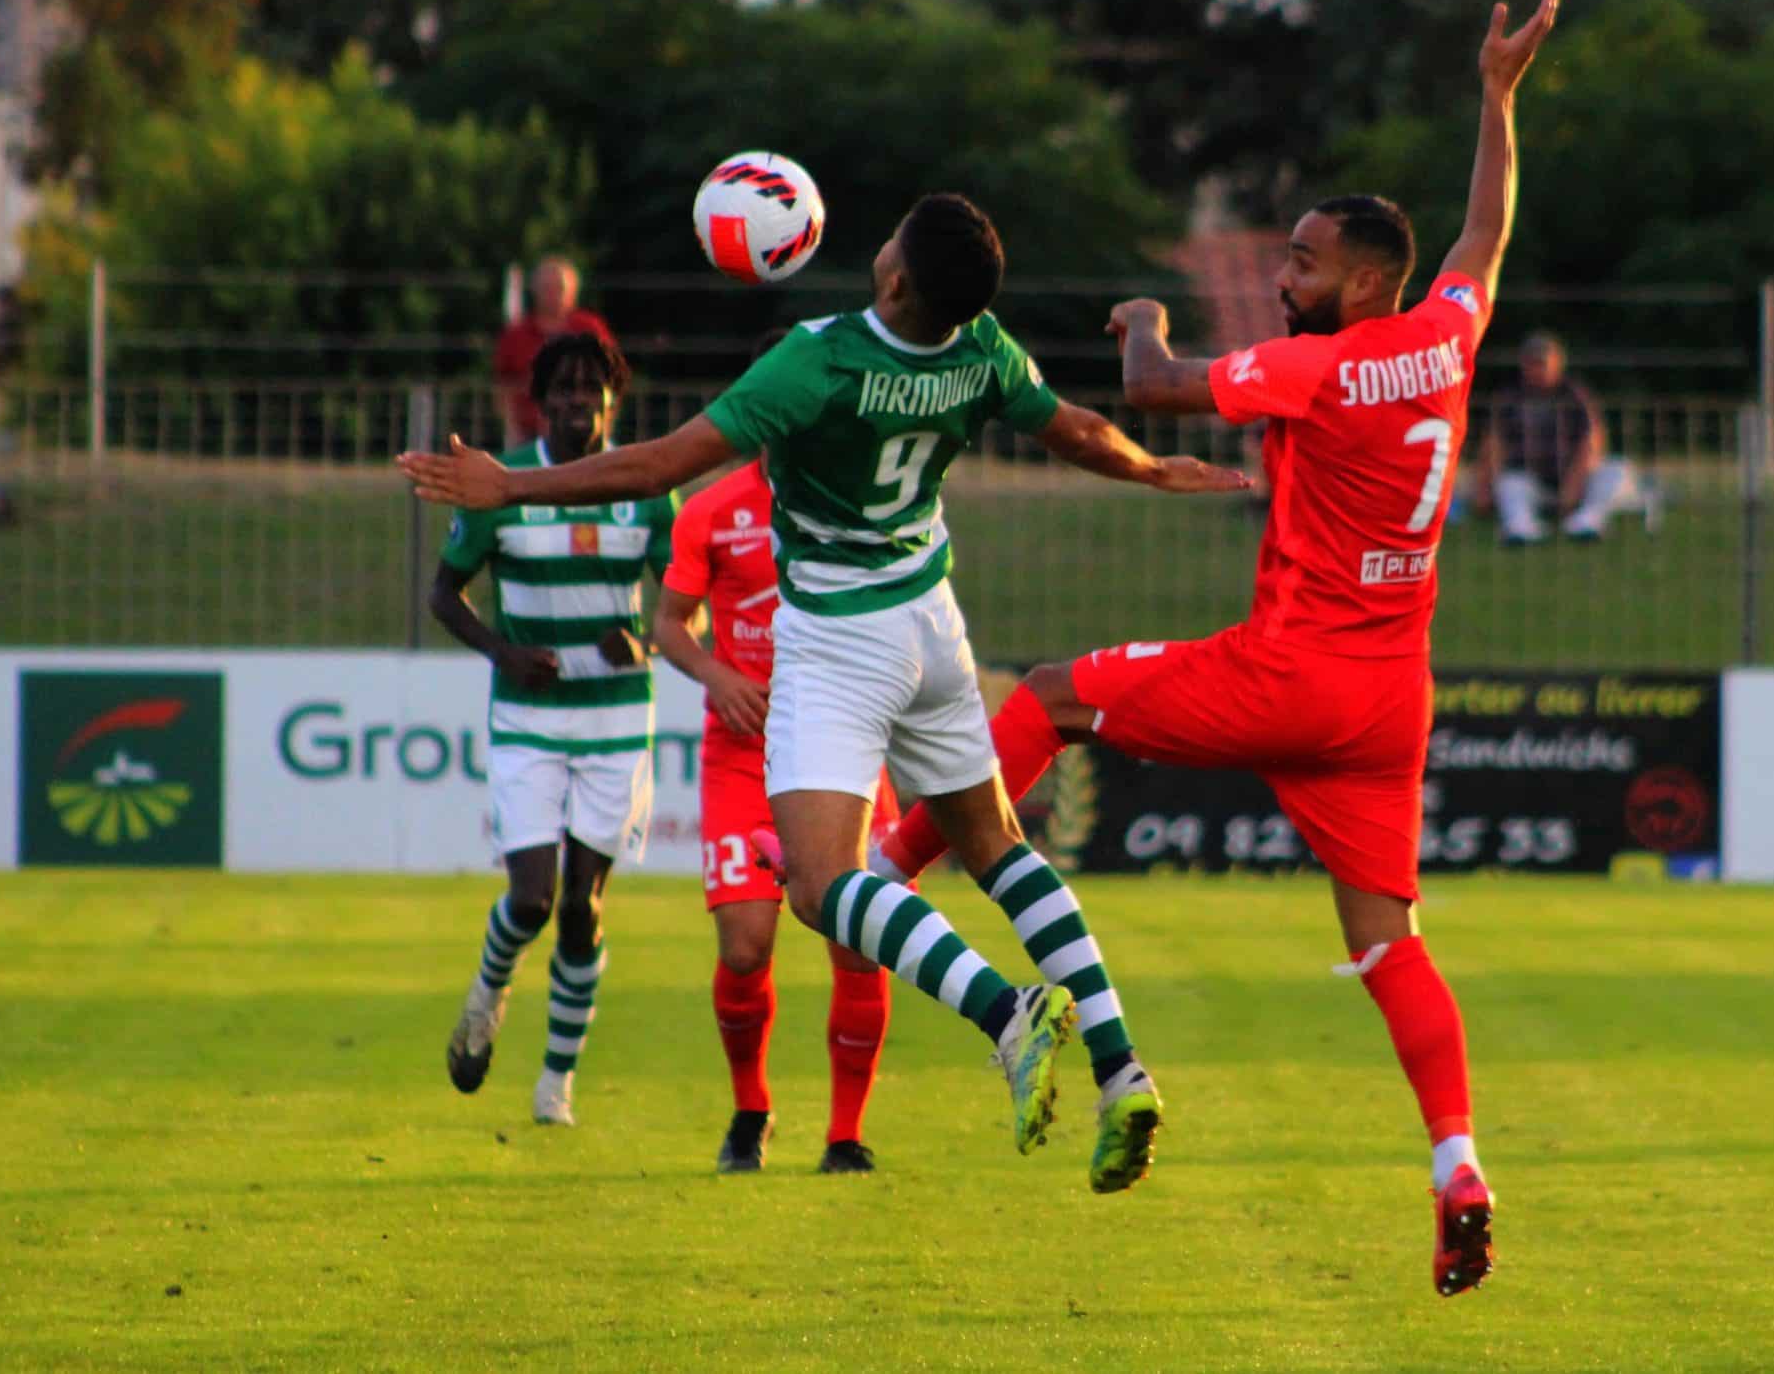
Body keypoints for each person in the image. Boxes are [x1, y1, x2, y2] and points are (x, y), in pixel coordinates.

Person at [865, 0, 1560, 1296]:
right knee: (1389, 942)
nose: (1283, 280)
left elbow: (1148, 390)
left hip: (1288, 672)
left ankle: (886, 878)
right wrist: (1495, 99)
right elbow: (1487, 230)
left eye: (1301, 263)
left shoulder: (1322, 368)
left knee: (1052, 695)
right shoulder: (1445, 334)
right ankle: (1457, 1162)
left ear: (1363, 282)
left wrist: (1144, 320)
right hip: (1388, 698)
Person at [400, 192, 1248, 1192]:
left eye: (891, 237)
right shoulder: (981, 347)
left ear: (895, 277)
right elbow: (1077, 430)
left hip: (839, 639)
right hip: (933, 622)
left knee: (816, 887)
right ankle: (1122, 1068)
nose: (879, 240)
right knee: (998, 848)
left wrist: (512, 485)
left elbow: (662, 461)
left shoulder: (819, 358)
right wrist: (1151, 470)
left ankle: (1006, 1012)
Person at [653, 336, 904, 1176]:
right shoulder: (710, 509)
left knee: (858, 940)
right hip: (742, 756)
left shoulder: (859, 504)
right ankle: (750, 1109)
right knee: (744, 947)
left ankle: (845, 1134)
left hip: (843, 748)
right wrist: (715, 673)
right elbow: (668, 624)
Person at [429, 332, 677, 1127]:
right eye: (562, 389)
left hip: (617, 718)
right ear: (540, 403)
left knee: (581, 909)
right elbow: (443, 594)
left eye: (590, 388)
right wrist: (502, 650)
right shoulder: (502, 485)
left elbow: (686, 607)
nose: (577, 401)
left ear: (612, 399)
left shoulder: (646, 490)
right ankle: (487, 993)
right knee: (533, 897)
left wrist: (645, 644)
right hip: (528, 718)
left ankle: (556, 1082)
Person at [1478, 330, 1658, 543]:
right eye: (1532, 363)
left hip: (1577, 481)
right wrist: (1484, 485)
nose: (1538, 369)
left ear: (1558, 363)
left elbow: (1592, 442)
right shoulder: (1510, 398)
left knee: (1616, 469)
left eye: (1543, 363)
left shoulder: (1575, 395)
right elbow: (1493, 443)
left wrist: (1573, 485)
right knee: (1510, 482)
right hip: (1534, 481)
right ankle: (1522, 528)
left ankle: (1587, 522)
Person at [493, 257, 614, 447]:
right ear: (534, 290)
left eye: (559, 288)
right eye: (546, 288)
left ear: (573, 291)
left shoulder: (590, 329)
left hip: (583, 433)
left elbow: (612, 379)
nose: (553, 295)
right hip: (528, 437)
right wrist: (512, 430)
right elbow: (503, 386)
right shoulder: (516, 334)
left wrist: (604, 426)